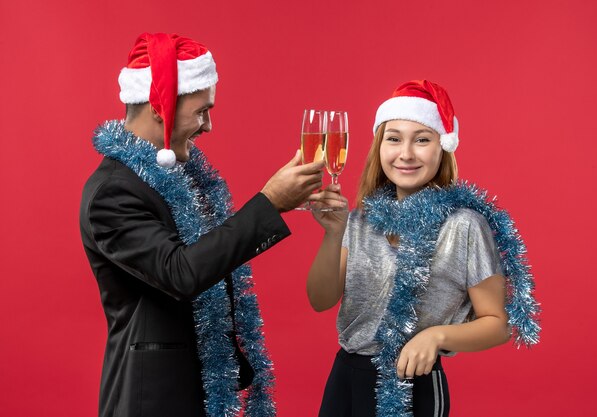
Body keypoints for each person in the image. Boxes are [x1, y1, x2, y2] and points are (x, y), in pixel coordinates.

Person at [79, 32, 323, 417]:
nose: (208, 125)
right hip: (155, 399)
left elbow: (209, 261)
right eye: (201, 110)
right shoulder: (113, 192)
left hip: (206, 388)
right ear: (161, 107)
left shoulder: (177, 177)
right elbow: (181, 272)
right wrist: (271, 203)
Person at [306, 80, 540, 416]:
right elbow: (320, 300)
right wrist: (333, 234)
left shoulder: (464, 226)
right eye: (394, 139)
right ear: (379, 148)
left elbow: (498, 323)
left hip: (412, 383)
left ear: (442, 148)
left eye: (422, 140)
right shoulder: (359, 220)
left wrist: (436, 337)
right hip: (345, 378)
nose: (406, 154)